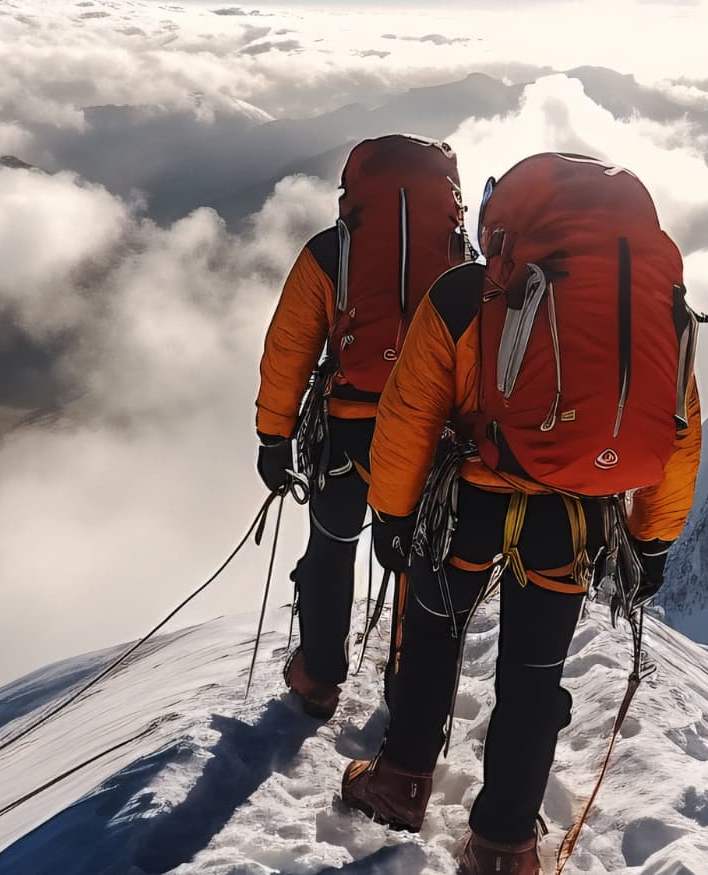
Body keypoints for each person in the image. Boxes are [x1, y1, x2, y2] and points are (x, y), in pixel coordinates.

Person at [340, 153, 703, 875]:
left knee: (433, 640)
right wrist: (652, 540)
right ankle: (505, 841)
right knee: (534, 680)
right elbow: (677, 426)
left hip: (463, 510)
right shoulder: (653, 304)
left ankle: (404, 780)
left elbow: (411, 411)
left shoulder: (465, 294)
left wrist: (391, 512)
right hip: (569, 526)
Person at [255, 134, 473, 720]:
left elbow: (289, 350)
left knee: (331, 548)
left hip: (345, 432)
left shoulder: (332, 252)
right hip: (429, 438)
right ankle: (407, 696)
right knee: (416, 561)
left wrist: (274, 437)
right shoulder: (461, 259)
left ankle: (319, 677)